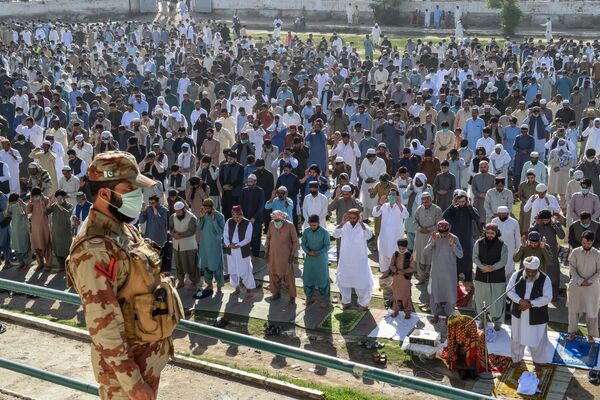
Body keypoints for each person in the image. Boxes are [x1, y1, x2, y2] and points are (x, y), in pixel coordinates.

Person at [67, 151, 182, 400]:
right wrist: (132, 382)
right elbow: (103, 322)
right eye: (131, 190)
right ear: (105, 195)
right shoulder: (93, 250)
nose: (139, 198)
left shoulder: (121, 227)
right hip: (125, 377)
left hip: (146, 358)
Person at [507, 256, 553, 365]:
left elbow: (547, 297)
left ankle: (538, 361)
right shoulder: (517, 275)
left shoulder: (545, 279)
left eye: (533, 272)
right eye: (528, 271)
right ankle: (516, 359)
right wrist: (520, 301)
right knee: (517, 338)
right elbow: (509, 291)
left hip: (537, 314)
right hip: (519, 312)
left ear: (538, 269)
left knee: (537, 339)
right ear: (524, 268)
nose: (531, 274)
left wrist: (531, 304)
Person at [333, 208, 374, 311]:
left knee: (361, 282)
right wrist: (342, 223)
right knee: (344, 281)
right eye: (350, 218)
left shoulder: (363, 227)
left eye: (354, 218)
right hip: (345, 259)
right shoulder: (344, 226)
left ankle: (363, 304)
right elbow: (335, 234)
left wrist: (361, 223)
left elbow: (369, 236)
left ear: (358, 217)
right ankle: (345, 302)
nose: (352, 220)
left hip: (359, 260)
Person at [424, 220, 464, 324]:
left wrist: (452, 245)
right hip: (436, 271)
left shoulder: (454, 238)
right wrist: (432, 242)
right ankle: (435, 314)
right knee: (434, 293)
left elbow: (460, 255)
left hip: (449, 272)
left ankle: (449, 315)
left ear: (448, 229)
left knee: (450, 294)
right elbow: (425, 252)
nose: (442, 234)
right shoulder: (434, 236)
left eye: (444, 232)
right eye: (440, 232)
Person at [472, 224, 508, 330]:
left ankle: (497, 322)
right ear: (485, 233)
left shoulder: (503, 245)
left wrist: (492, 268)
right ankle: (483, 320)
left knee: (497, 301)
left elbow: (503, 260)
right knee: (481, 300)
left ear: (496, 233)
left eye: (492, 233)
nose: (490, 235)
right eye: (488, 233)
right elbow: (475, 257)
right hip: (481, 277)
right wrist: (483, 267)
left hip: (497, 278)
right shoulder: (478, 243)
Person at [566, 230, 600, 343]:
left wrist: (589, 281)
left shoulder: (597, 254)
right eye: (584, 243)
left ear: (593, 242)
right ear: (581, 240)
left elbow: (599, 271)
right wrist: (580, 281)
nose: (586, 245)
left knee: (592, 311)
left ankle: (591, 335)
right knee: (573, 309)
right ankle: (572, 332)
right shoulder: (575, 252)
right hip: (576, 285)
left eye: (589, 244)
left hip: (592, 287)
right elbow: (572, 269)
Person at [443, 190, 479, 282]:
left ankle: (468, 279)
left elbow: (476, 217)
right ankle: (455, 280)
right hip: (455, 239)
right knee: (456, 259)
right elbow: (444, 215)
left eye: (463, 201)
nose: (461, 204)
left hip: (467, 239)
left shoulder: (470, 209)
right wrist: (452, 204)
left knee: (467, 259)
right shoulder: (454, 209)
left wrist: (469, 206)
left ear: (466, 200)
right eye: (459, 202)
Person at [529, 209, 565, 300]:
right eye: (543, 220)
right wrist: (537, 224)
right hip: (539, 254)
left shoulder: (555, 224)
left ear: (550, 218)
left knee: (554, 275)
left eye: (546, 220)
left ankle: (554, 295)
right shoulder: (538, 223)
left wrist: (554, 224)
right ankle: (539, 295)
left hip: (552, 253)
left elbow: (562, 236)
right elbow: (530, 234)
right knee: (538, 275)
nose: (545, 222)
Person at [265, 210, 299, 304]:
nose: (276, 222)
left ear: (282, 219)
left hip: (286, 256)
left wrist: (292, 254)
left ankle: (292, 296)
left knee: (288, 275)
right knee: (273, 274)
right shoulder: (271, 224)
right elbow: (268, 238)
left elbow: (295, 241)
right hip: (273, 255)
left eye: (278, 220)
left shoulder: (290, 225)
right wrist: (266, 251)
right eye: (275, 220)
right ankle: (275, 293)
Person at [372, 189, 409, 276]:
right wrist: (380, 203)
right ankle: (385, 271)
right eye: (390, 194)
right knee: (383, 252)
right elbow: (375, 214)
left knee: (395, 253)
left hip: (396, 235)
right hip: (384, 235)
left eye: (393, 194)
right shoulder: (384, 206)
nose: (391, 196)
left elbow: (406, 215)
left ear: (397, 196)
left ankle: (395, 271)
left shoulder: (401, 207)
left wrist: (399, 204)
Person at [195, 198, 225, 299]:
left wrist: (214, 220)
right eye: (205, 208)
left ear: (212, 207)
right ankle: (209, 284)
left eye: (208, 208)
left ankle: (219, 287)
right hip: (204, 246)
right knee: (206, 266)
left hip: (215, 246)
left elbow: (220, 231)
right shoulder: (204, 215)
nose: (207, 210)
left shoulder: (219, 216)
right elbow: (199, 227)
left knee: (217, 266)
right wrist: (201, 217)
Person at [223, 205, 256, 296]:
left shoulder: (247, 223)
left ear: (241, 214)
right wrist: (229, 244)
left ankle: (249, 289)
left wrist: (238, 245)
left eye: (237, 217)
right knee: (232, 270)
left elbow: (248, 238)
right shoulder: (229, 221)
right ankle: (236, 288)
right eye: (233, 216)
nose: (236, 219)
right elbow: (225, 235)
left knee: (246, 270)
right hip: (231, 250)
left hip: (242, 250)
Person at [301, 214, 331, 307]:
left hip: (321, 258)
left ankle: (325, 299)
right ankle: (309, 296)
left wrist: (318, 252)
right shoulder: (306, 231)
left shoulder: (324, 232)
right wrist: (308, 251)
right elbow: (303, 243)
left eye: (314, 225)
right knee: (307, 277)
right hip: (309, 258)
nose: (312, 227)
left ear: (318, 223)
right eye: (311, 225)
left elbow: (327, 246)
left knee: (323, 278)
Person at [169, 201, 200, 290]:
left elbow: (191, 231)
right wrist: (172, 234)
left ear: (184, 210)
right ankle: (181, 281)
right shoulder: (173, 217)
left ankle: (193, 282)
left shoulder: (192, 217)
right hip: (177, 246)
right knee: (179, 265)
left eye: (179, 211)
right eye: (176, 211)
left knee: (192, 264)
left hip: (189, 246)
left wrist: (179, 236)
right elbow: (170, 228)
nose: (177, 213)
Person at [413, 192, 442, 284]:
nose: (425, 203)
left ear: (431, 199)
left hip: (431, 237)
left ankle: (430, 278)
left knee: (430, 257)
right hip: (420, 237)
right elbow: (414, 221)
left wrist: (429, 229)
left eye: (427, 201)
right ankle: (421, 277)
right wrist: (419, 228)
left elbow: (439, 224)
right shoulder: (419, 209)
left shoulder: (437, 209)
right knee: (419, 256)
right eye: (423, 201)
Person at [47, 190, 74, 270]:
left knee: (66, 249)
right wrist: (49, 202)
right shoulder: (54, 206)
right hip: (56, 232)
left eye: (60, 198)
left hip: (65, 231)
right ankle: (61, 266)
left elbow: (68, 214)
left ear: (64, 197)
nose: (59, 200)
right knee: (57, 249)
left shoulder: (70, 205)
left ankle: (69, 266)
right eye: (57, 198)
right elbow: (46, 212)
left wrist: (59, 205)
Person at [491, 206, 521, 280]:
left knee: (509, 265)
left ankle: (509, 282)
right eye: (500, 214)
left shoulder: (514, 222)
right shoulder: (494, 221)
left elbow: (517, 237)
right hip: (497, 247)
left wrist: (517, 250)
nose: (502, 216)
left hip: (510, 248)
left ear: (507, 213)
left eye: (504, 214)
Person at [388, 238, 415, 319]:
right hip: (396, 278)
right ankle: (396, 310)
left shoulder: (410, 255)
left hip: (405, 278)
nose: (401, 250)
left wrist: (404, 271)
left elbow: (412, 268)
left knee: (406, 295)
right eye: (400, 248)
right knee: (396, 295)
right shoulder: (395, 254)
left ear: (406, 247)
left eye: (403, 248)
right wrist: (396, 270)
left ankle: (407, 312)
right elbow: (391, 265)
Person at [240, 173, 265, 257]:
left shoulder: (260, 191)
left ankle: (256, 256)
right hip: (245, 218)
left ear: (255, 182)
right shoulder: (244, 190)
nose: (249, 183)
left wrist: (254, 217)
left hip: (256, 219)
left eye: (251, 182)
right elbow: (241, 203)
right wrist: (242, 215)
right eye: (248, 181)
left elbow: (261, 206)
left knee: (256, 238)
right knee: (246, 238)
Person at [27, 187, 52, 269]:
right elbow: (27, 211)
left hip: (44, 226)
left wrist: (41, 202)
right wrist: (30, 202)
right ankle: (40, 263)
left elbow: (46, 211)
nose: (35, 197)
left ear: (40, 194)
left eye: (35, 196)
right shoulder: (32, 201)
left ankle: (48, 264)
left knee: (46, 245)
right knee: (37, 246)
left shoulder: (46, 199)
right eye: (33, 196)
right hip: (34, 227)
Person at [359, 148, 386, 221]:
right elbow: (361, 171)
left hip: (376, 185)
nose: (370, 160)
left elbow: (383, 173)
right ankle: (365, 219)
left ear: (375, 156)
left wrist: (373, 179)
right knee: (365, 202)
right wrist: (366, 178)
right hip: (366, 184)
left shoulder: (381, 162)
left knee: (375, 201)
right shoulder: (365, 161)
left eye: (372, 158)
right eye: (369, 158)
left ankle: (376, 217)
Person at [5, 193, 31, 268]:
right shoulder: (11, 206)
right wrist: (8, 205)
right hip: (14, 230)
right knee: (16, 247)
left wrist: (21, 204)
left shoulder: (23, 204)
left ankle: (27, 263)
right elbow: (6, 214)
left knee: (24, 246)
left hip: (23, 229)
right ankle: (21, 262)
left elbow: (25, 212)